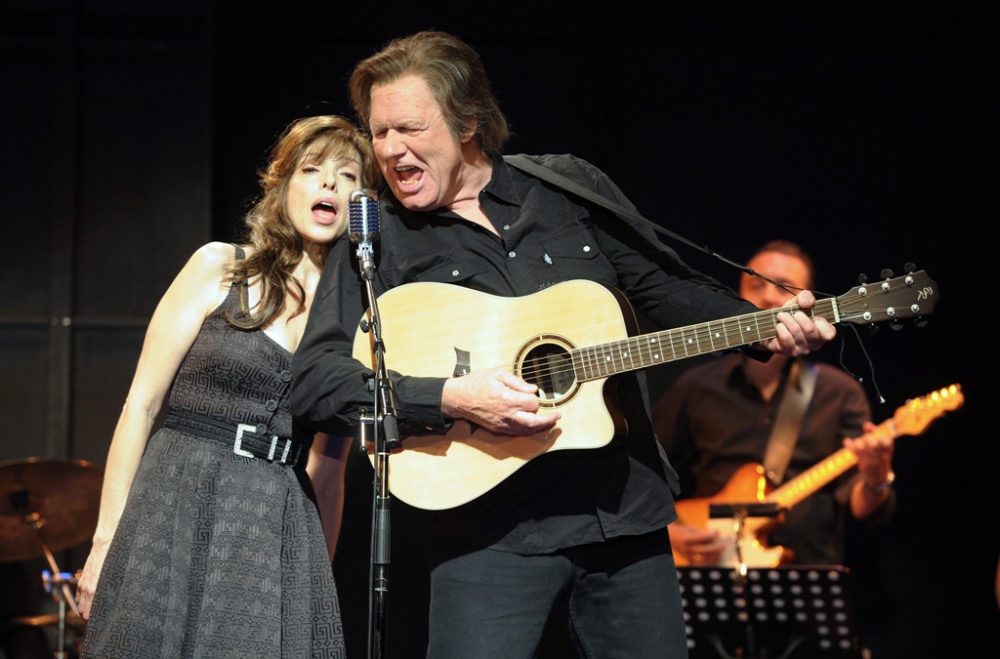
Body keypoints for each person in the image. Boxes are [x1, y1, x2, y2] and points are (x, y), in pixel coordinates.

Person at [291, 31, 834, 658]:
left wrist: (762, 325)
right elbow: (317, 381)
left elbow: (660, 288)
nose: (388, 150)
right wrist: (450, 397)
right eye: (378, 132)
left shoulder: (565, 187)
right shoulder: (378, 237)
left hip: (623, 519)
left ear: (467, 120)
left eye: (408, 128)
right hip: (487, 538)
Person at [75, 115, 378, 658]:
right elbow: (141, 405)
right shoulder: (220, 268)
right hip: (176, 500)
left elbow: (329, 469)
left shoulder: (357, 326)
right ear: (284, 185)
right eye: (313, 170)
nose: (330, 184)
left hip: (275, 523)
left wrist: (314, 583)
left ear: (363, 202)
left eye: (348, 175)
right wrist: (105, 542)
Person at [656, 240, 895, 566]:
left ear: (809, 302)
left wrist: (876, 477)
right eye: (756, 285)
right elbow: (647, 475)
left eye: (783, 289)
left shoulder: (839, 392)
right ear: (737, 292)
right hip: (708, 573)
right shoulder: (696, 386)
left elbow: (859, 506)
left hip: (807, 574)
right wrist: (669, 532)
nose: (768, 298)